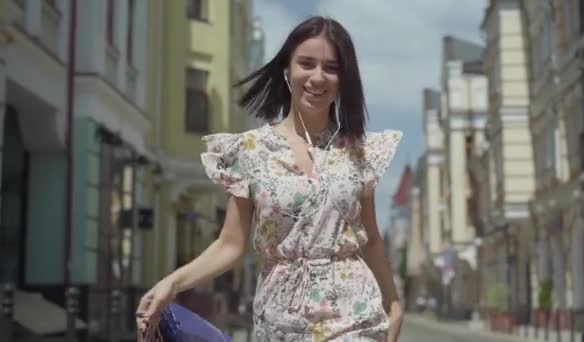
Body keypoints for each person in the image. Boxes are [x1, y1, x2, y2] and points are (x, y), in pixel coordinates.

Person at [137, 16, 404, 341]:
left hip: (353, 316)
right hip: (279, 319)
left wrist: (393, 304)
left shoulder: (359, 152)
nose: (318, 77)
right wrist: (171, 284)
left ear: (343, 80)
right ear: (287, 71)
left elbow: (372, 240)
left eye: (331, 68)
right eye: (306, 63)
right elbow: (230, 244)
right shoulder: (250, 152)